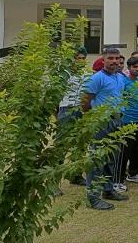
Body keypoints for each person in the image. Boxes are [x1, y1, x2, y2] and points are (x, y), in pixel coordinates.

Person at [82, 47, 127, 210]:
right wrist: (93, 119)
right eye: (110, 58)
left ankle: (108, 190)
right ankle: (93, 197)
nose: (114, 61)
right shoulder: (97, 78)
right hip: (101, 122)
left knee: (111, 158)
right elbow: (86, 101)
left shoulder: (119, 77)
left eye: (117, 58)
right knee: (97, 159)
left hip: (116, 121)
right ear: (103, 59)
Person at [57, 47, 90, 186]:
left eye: (83, 58)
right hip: (66, 109)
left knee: (80, 144)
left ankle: (75, 175)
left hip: (81, 110)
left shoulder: (86, 74)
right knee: (62, 146)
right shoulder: (64, 74)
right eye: (78, 58)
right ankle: (54, 181)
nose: (81, 61)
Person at [120, 57, 138, 185]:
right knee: (125, 150)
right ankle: (120, 176)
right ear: (129, 67)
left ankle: (134, 173)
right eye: (135, 67)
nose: (137, 69)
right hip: (126, 120)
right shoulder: (123, 82)